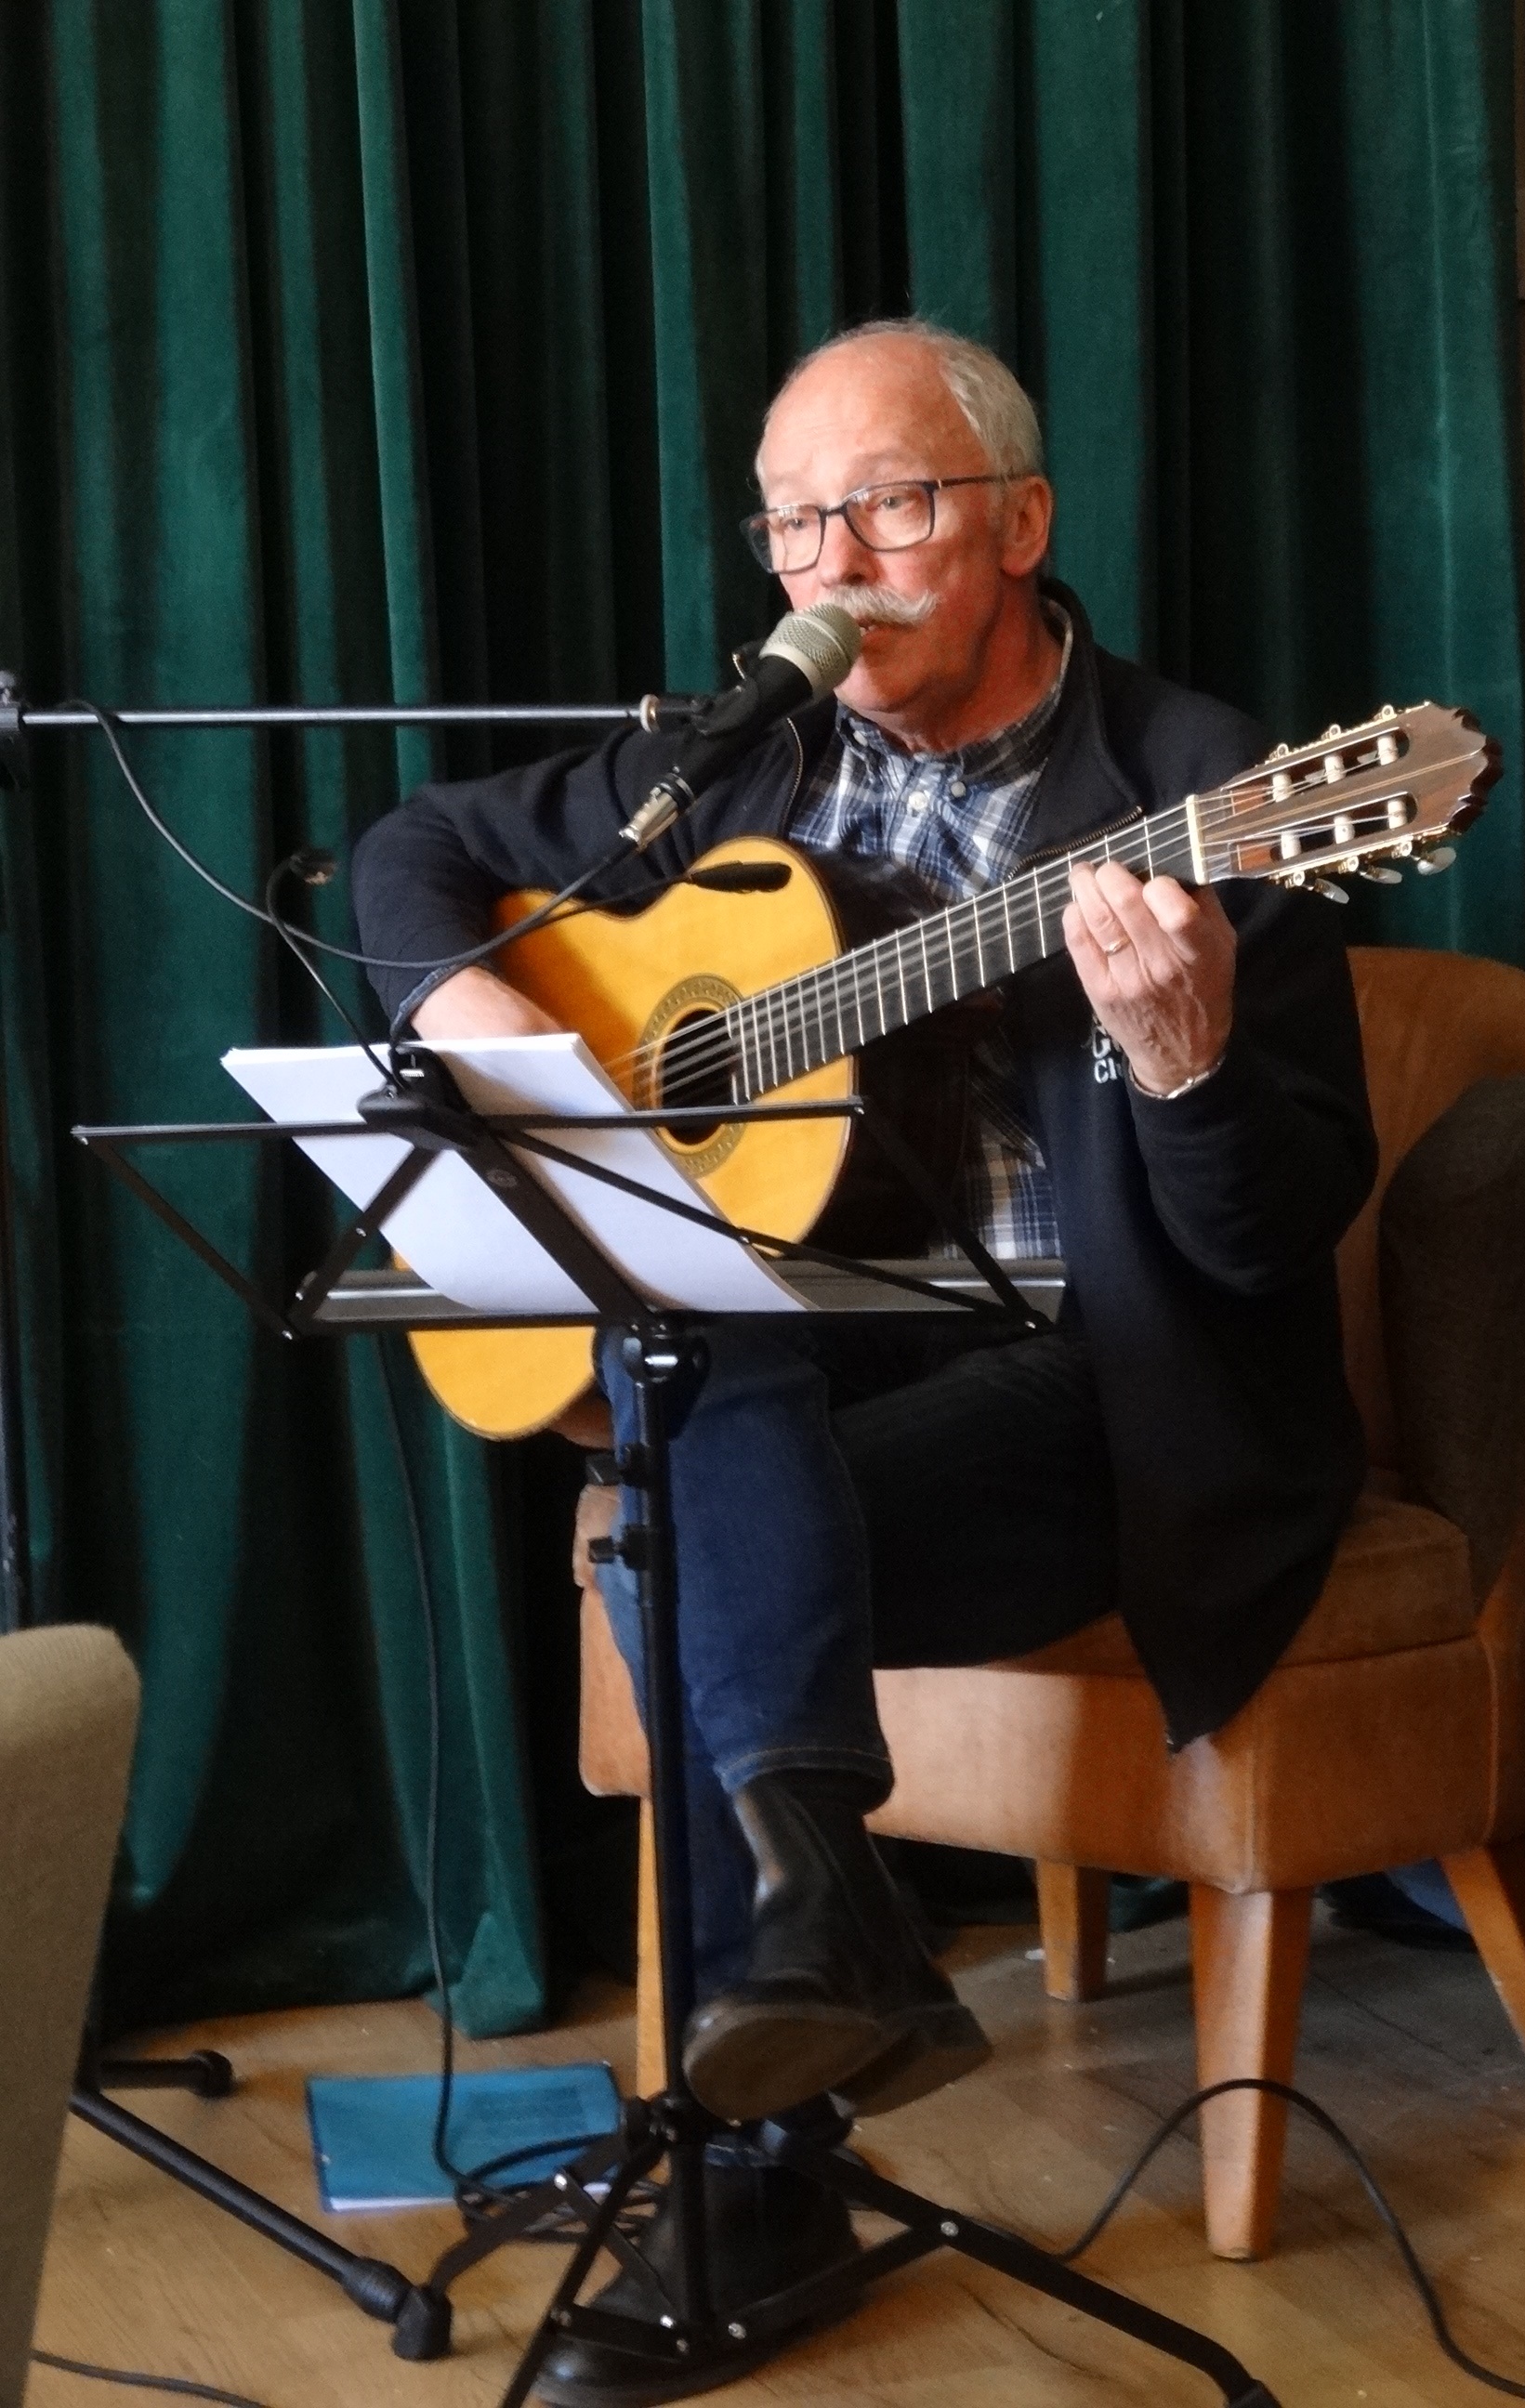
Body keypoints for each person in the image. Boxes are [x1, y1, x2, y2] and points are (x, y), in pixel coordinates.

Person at [352, 319, 1374, 2334]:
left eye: (889, 508)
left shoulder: (1202, 790)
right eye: (793, 523)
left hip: (1107, 1394)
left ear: (1021, 522)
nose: (833, 564)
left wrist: (1184, 1067)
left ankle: (763, 2169)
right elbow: (413, 849)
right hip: (826, 1373)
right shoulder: (741, 758)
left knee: (670, 1536)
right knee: (685, 1361)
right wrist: (465, 1012)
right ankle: (832, 1937)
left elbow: (1267, 1250)